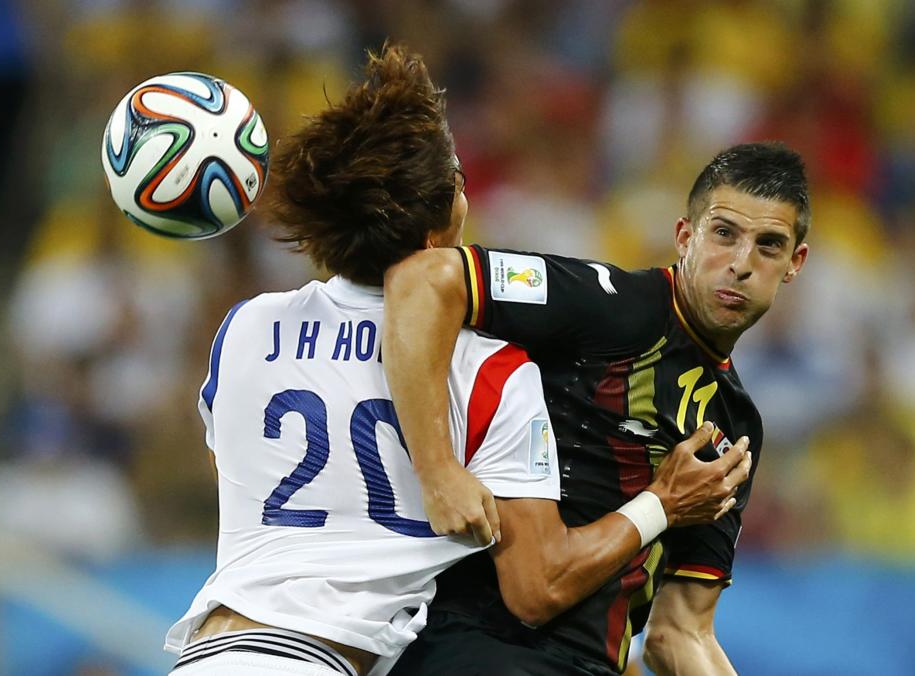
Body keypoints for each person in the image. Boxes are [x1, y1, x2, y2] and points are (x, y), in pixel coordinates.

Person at [163, 44, 751, 676]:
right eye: (460, 185)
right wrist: (660, 502)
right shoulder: (488, 370)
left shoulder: (246, 328)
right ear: (433, 238)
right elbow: (541, 584)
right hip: (320, 658)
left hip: (210, 652)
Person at [383, 141, 810, 675]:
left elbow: (680, 634)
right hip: (487, 647)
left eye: (769, 246)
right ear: (685, 236)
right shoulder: (608, 304)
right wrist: (438, 469)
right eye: (724, 234)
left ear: (795, 263)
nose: (741, 265)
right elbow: (424, 279)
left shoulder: (735, 424)